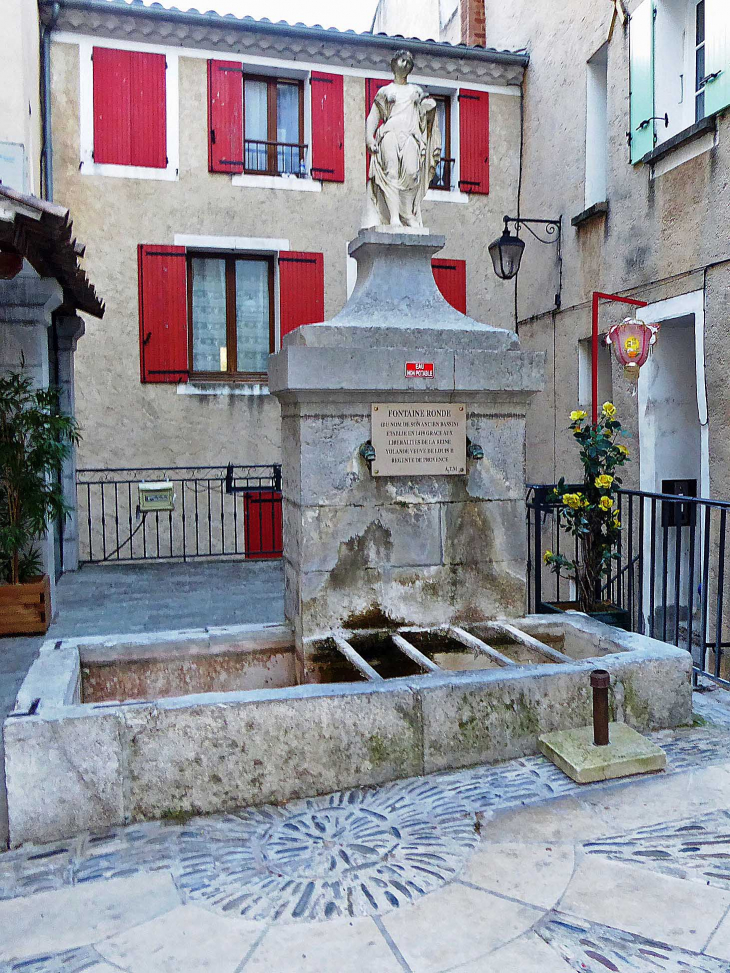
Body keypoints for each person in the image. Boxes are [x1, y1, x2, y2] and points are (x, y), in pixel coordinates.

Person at [363, 50, 441, 229]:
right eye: (401, 60)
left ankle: (407, 214)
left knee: (412, 172)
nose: (405, 64)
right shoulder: (385, 91)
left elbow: (425, 117)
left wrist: (429, 107)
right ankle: (394, 218)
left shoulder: (416, 91)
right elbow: (373, 116)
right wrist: (369, 137)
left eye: (408, 62)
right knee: (391, 172)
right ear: (393, 63)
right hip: (389, 133)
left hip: (411, 135)